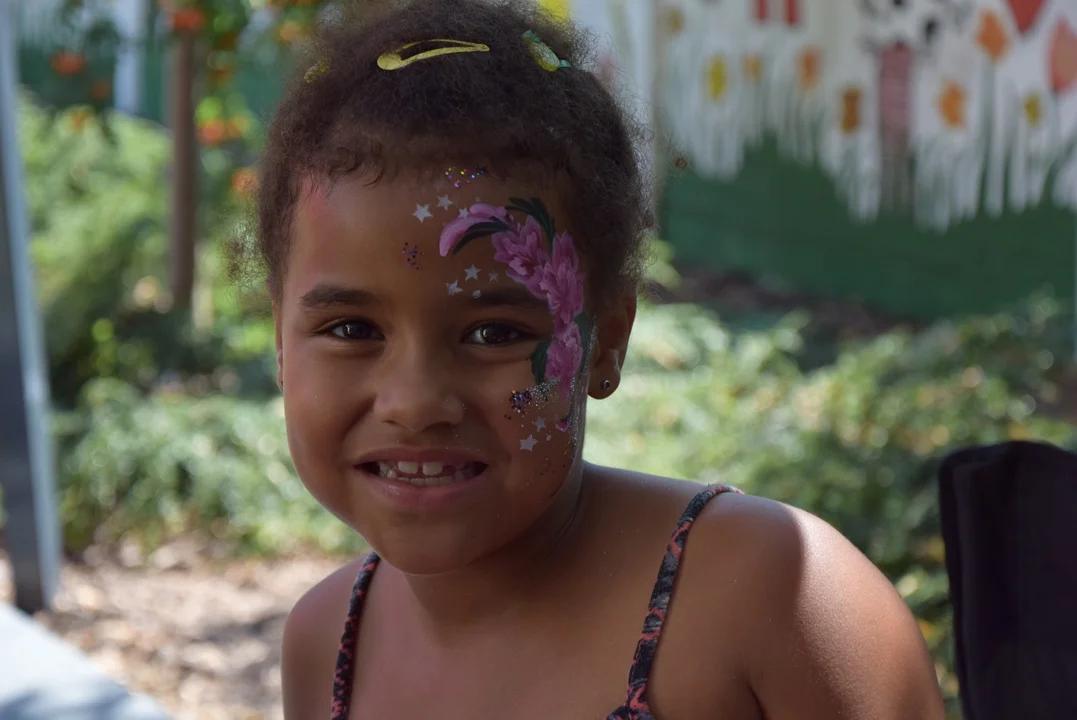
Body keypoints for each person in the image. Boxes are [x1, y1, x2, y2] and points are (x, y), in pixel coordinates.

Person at [236, 0, 946, 717]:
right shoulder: (327, 645)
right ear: (279, 339)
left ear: (606, 339)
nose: (415, 401)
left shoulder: (774, 599)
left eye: (494, 334)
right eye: (353, 330)